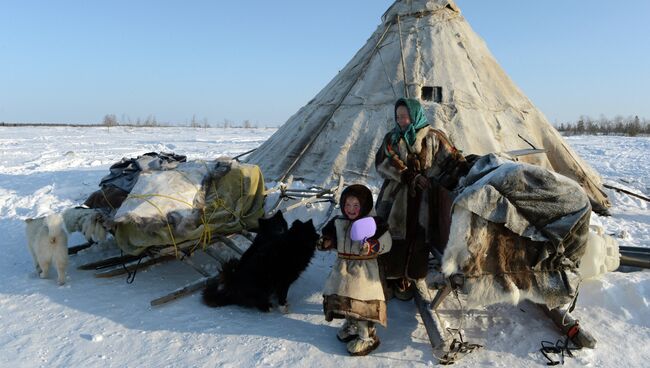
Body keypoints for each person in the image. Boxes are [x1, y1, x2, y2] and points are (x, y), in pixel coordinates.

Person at [374, 97, 469, 300]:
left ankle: (409, 278)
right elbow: (384, 162)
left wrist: (466, 172)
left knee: (419, 239)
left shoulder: (433, 137)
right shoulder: (391, 139)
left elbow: (452, 160)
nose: (401, 120)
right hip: (396, 198)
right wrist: (409, 176)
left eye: (405, 116)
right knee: (393, 237)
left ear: (414, 115)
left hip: (425, 199)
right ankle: (392, 279)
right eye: (398, 116)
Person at [319, 184, 392, 356]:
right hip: (343, 269)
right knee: (344, 301)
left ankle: (367, 336)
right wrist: (327, 243)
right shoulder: (338, 222)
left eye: (356, 205)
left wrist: (373, 246)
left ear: (365, 205)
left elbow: (387, 243)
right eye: (347, 205)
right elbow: (332, 238)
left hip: (364, 271)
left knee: (361, 305)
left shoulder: (375, 224)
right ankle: (351, 326)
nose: (351, 209)